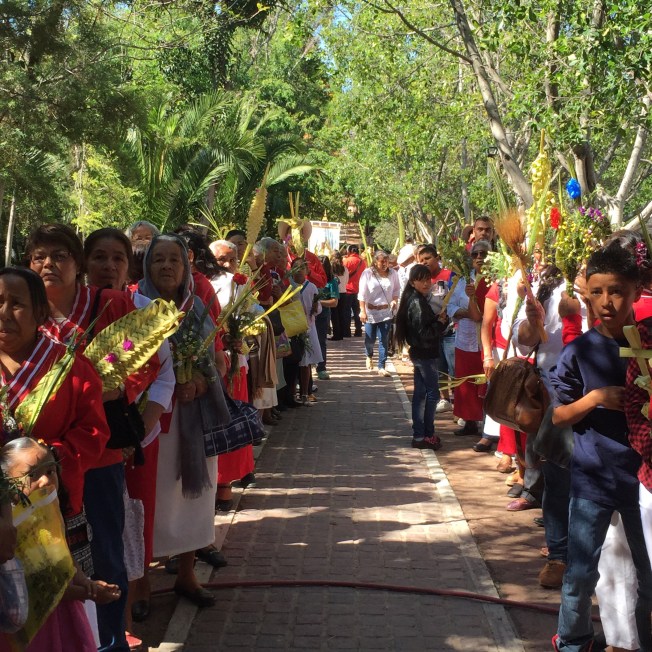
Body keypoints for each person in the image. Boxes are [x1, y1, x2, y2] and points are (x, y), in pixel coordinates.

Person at [26, 224, 156, 652]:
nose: (49, 264)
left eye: (60, 256)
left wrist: (118, 388)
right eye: (39, 257)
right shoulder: (24, 308)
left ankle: (111, 642)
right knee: (45, 558)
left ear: (77, 263)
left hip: (97, 454)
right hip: (36, 462)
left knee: (103, 553)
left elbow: (146, 359)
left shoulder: (109, 304)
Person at [551, 245, 652, 652]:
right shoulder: (579, 351)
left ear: (637, 291)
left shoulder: (647, 344)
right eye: (597, 292)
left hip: (642, 481)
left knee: (648, 574)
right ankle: (572, 640)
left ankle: (641, 640)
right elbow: (559, 416)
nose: (607, 302)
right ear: (586, 294)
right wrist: (594, 399)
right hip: (592, 479)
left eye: (617, 291)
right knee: (579, 573)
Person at [83, 228, 176, 630]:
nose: (108, 266)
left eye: (118, 258)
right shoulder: (63, 311)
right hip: (74, 450)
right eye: (99, 257)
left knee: (118, 535)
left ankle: (121, 620)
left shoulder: (143, 314)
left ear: (129, 266)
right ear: (84, 263)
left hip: (128, 439)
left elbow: (161, 375)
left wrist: (135, 431)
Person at [138, 234, 231, 608]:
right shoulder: (133, 307)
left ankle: (186, 575)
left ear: (186, 265)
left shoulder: (198, 308)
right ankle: (141, 582)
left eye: (174, 259)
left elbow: (219, 360)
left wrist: (200, 382)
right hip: (151, 425)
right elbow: (119, 360)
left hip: (194, 421)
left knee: (194, 499)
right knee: (149, 501)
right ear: (147, 266)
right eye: (158, 259)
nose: (166, 266)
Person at [0, 438, 121, 652]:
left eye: (51, 471)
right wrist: (87, 593)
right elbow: (40, 587)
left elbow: (64, 554)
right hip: (34, 620)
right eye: (32, 474)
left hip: (63, 609)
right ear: (7, 482)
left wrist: (86, 582)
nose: (46, 480)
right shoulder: (14, 529)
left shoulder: (48, 512)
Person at [394, 264, 449, 450]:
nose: (426, 283)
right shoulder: (417, 302)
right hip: (425, 354)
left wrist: (437, 320)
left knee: (420, 394)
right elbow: (424, 333)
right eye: (421, 280)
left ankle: (420, 435)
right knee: (431, 394)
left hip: (421, 353)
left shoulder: (416, 299)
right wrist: (440, 324)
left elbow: (422, 326)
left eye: (428, 279)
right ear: (412, 282)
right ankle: (426, 434)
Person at [446, 240, 490, 437]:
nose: (479, 257)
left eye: (483, 254)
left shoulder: (496, 279)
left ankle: (488, 427)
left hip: (485, 340)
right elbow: (450, 306)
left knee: (485, 382)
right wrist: (465, 313)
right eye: (475, 254)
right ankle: (469, 422)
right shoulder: (462, 280)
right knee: (465, 382)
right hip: (465, 338)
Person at [418, 244, 454, 413]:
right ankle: (445, 398)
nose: (425, 262)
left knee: (454, 367)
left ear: (437, 258)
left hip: (451, 329)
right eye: (421, 260)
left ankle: (460, 403)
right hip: (431, 331)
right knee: (438, 367)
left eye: (428, 258)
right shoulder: (421, 279)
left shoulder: (450, 275)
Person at [358, 251, 399, 377]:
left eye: (386, 261)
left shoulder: (393, 273)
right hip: (370, 311)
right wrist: (362, 310)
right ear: (375, 262)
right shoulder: (367, 273)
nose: (384, 264)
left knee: (384, 339)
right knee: (370, 339)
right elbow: (362, 293)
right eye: (382, 261)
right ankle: (369, 354)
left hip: (386, 312)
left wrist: (394, 300)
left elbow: (396, 289)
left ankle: (381, 366)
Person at [290, 259, 323, 404]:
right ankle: (292, 394)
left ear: (306, 271)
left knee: (306, 361)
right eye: (295, 267)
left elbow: (318, 307)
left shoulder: (311, 287)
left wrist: (316, 308)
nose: (298, 271)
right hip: (292, 327)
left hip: (308, 327)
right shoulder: (289, 285)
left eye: (301, 268)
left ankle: (305, 393)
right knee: (293, 362)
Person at [315, 256, 339, 380]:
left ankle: (321, 368)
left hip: (322, 316)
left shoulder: (331, 281)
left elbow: (334, 302)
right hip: (307, 315)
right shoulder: (310, 279)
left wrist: (318, 303)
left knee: (320, 341)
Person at [342, 245, 367, 337]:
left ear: (349, 251)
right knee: (357, 311)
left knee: (346, 312)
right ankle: (358, 330)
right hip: (359, 290)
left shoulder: (346, 261)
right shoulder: (363, 262)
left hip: (348, 289)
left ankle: (347, 331)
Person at [329, 251, 349, 341]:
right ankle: (341, 333)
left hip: (334, 293)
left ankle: (336, 334)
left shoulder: (331, 269)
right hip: (344, 292)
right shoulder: (345, 269)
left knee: (334, 315)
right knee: (341, 314)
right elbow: (347, 280)